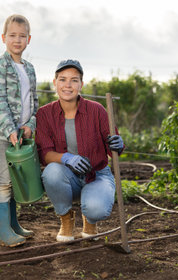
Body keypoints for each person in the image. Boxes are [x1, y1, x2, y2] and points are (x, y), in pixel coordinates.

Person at [35, 60, 124, 242]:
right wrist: (66, 158)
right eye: (63, 79)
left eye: (74, 80)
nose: (68, 85)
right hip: (68, 177)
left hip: (97, 175)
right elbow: (45, 153)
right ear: (55, 82)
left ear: (81, 85)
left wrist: (118, 143)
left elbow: (113, 148)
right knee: (51, 171)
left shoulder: (97, 110)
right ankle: (66, 219)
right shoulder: (44, 114)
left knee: (96, 208)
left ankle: (90, 219)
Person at [0, 14, 38, 247]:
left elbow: (34, 101)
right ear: (4, 38)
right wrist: (8, 130)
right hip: (0, 134)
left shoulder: (30, 69)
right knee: (3, 181)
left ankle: (14, 225)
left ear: (29, 39)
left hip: (20, 134)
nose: (17, 40)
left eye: (22, 36)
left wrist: (30, 125)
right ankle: (3, 232)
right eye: (12, 35)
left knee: (15, 181)